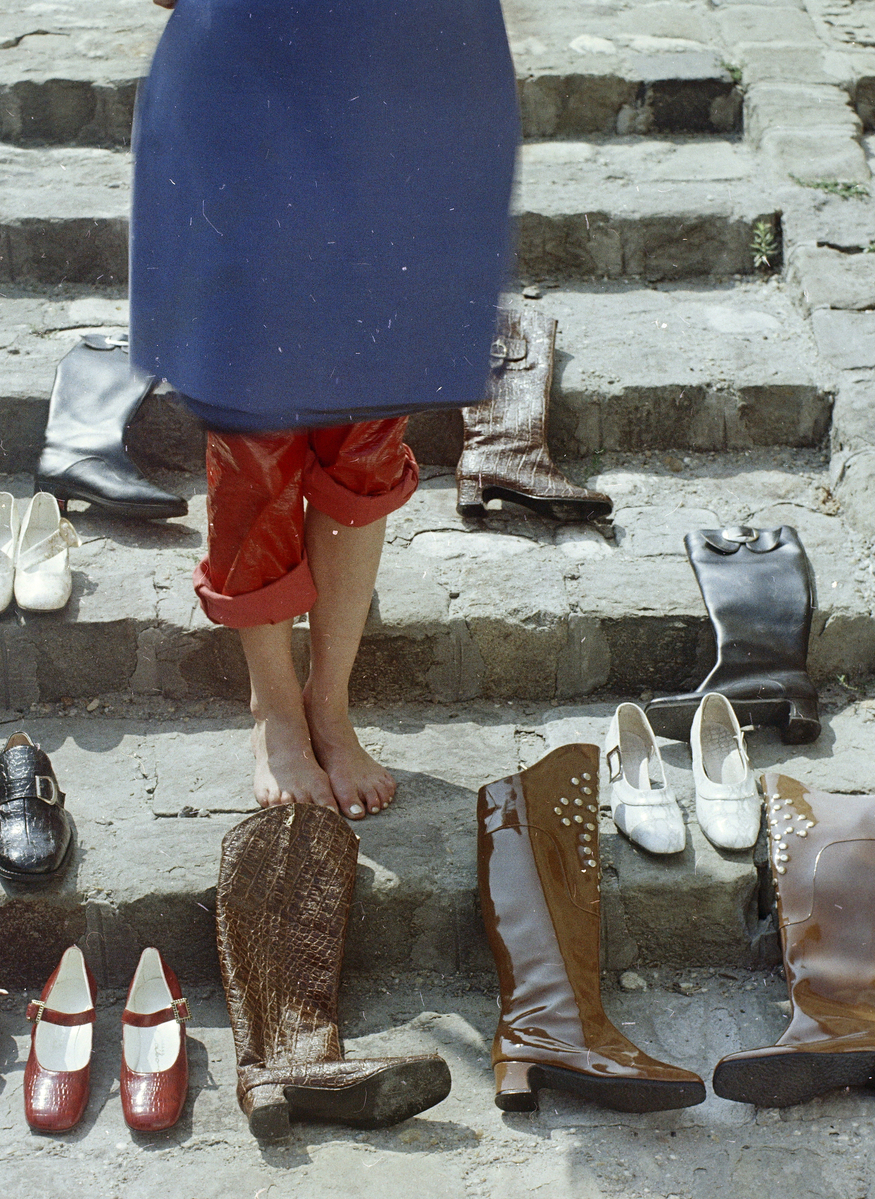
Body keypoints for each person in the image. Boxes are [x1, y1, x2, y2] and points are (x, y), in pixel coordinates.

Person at [130, 0, 519, 817]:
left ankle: (329, 706)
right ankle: (274, 708)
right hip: (251, 87)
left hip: (400, 82)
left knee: (369, 418)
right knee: (252, 421)